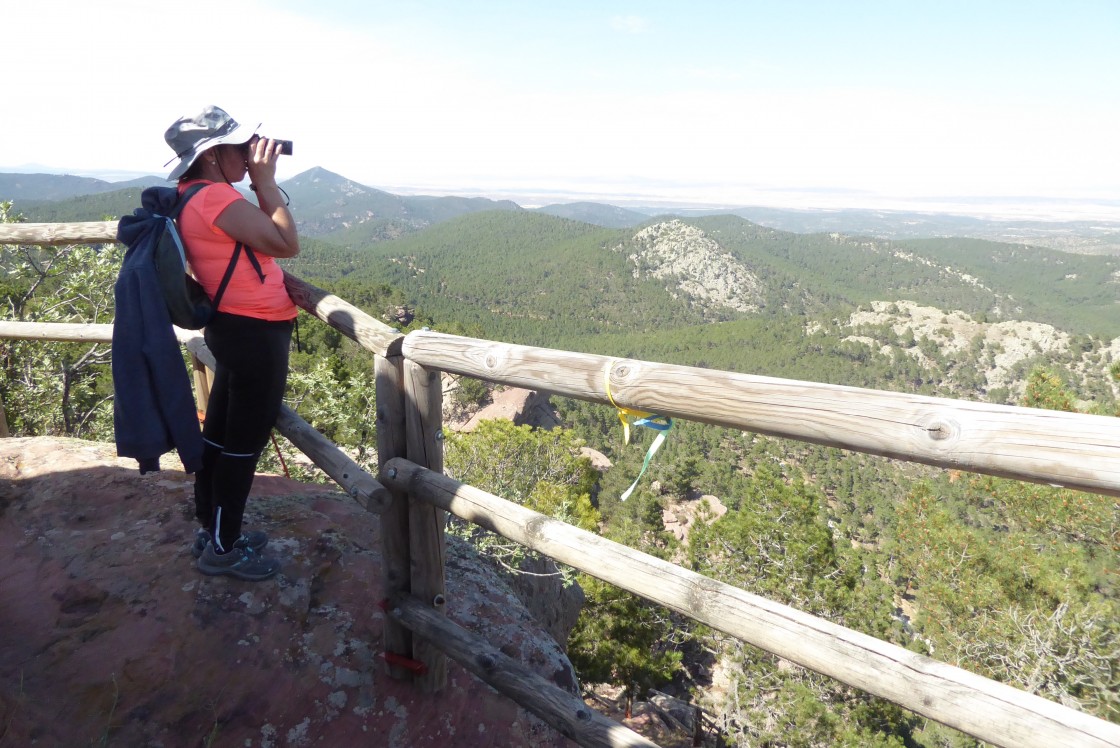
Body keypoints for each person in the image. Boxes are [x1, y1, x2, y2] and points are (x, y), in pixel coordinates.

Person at [163, 105, 300, 581]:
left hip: (231, 327)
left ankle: (211, 525)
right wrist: (264, 182)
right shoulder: (216, 199)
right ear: (213, 154)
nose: (249, 154)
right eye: (239, 148)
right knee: (243, 445)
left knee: (220, 434)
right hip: (254, 332)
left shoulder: (190, 193)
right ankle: (223, 546)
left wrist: (254, 176)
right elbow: (285, 243)